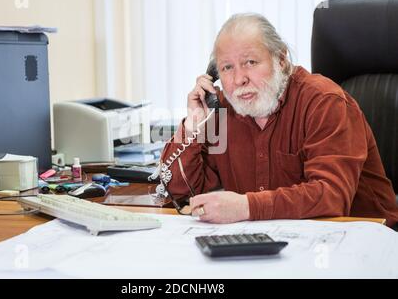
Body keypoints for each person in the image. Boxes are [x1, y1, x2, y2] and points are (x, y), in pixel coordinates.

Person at [159, 13, 398, 228]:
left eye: (250, 62)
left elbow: (331, 196)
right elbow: (180, 190)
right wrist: (194, 124)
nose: (239, 79)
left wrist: (246, 207)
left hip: (360, 238)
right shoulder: (220, 110)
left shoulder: (324, 102)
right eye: (227, 67)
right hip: (272, 239)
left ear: (281, 59)